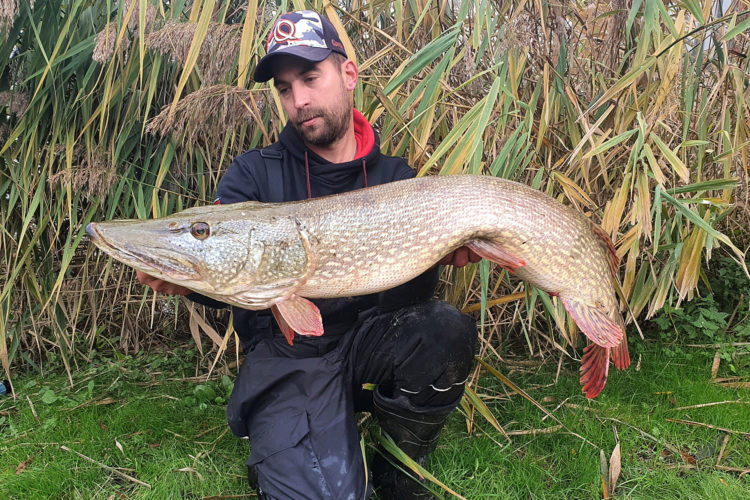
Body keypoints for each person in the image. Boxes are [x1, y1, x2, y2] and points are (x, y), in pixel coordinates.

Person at [138, 10, 479, 499]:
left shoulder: (396, 181)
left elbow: (411, 301)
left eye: (310, 78)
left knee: (444, 329)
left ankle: (399, 462)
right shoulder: (252, 176)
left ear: (348, 75)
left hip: (367, 340)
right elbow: (234, 274)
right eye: (284, 87)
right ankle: (289, 444)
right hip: (289, 352)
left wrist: (442, 252)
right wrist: (189, 278)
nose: (298, 100)